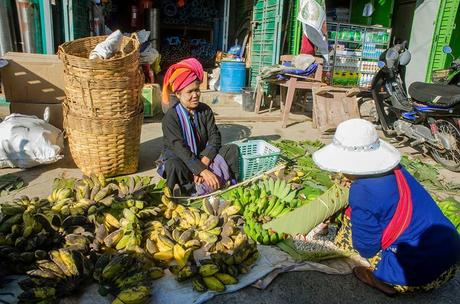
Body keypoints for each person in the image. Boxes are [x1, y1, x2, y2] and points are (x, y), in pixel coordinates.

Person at [312, 119, 460, 295]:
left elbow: (367, 248)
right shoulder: (398, 170)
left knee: (348, 238)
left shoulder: (363, 191)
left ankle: (382, 281)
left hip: (415, 276)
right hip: (450, 264)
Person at [158, 58, 239, 196]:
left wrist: (204, 162)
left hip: (203, 157)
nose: (195, 95)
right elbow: (179, 148)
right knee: (173, 165)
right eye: (190, 92)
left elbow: (215, 137)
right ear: (178, 94)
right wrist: (200, 170)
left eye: (197, 90)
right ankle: (189, 191)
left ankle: (233, 185)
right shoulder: (170, 118)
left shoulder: (205, 110)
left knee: (232, 150)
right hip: (183, 159)